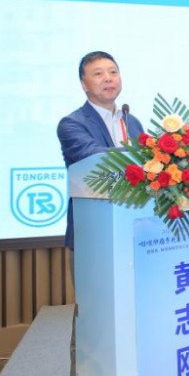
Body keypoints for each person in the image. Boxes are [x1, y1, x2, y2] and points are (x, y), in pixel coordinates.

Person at [57, 51, 145, 249]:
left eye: (113, 72)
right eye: (98, 74)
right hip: (93, 233)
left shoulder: (132, 122)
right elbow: (96, 158)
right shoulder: (72, 124)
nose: (108, 78)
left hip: (136, 230)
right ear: (84, 84)